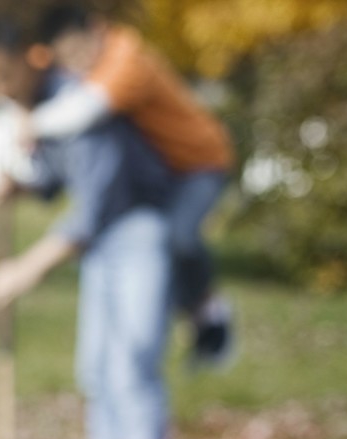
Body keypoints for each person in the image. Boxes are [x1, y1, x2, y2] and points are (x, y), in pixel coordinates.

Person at [0, 19, 176, 439]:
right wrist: (19, 186)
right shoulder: (39, 106)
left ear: (28, 57)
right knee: (96, 368)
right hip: (102, 246)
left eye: (1, 76)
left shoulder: (78, 104)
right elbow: (57, 180)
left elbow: (95, 207)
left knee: (129, 365)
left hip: (138, 232)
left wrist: (26, 268)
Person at [23, 4, 236, 370]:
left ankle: (208, 312)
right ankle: (197, 321)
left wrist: (31, 124)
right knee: (160, 247)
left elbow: (87, 108)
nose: (74, 64)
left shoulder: (127, 58)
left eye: (77, 51)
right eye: (64, 57)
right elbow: (28, 64)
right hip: (168, 171)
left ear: (95, 29)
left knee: (178, 237)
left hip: (201, 163)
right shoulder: (84, 58)